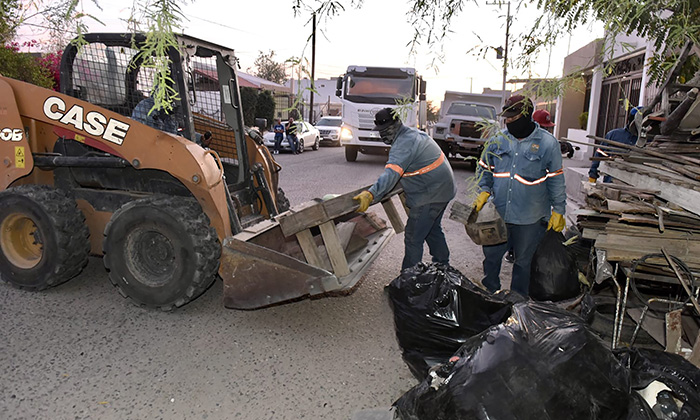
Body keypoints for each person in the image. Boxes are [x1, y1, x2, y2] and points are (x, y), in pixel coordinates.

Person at [474, 95, 566, 296]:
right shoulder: (497, 140)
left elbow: (556, 178)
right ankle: (491, 293)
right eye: (507, 118)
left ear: (526, 115)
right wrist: (483, 190)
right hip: (498, 212)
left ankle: (518, 301)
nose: (509, 122)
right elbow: (485, 168)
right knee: (491, 256)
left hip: (530, 217)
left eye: (513, 118)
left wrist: (559, 210)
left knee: (524, 262)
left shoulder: (547, 144)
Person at [352, 108, 456, 271]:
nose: (381, 135)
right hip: (443, 189)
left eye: (383, 131)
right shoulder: (411, 134)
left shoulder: (403, 143)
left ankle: (409, 280)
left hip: (430, 194)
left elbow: (392, 173)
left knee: (413, 237)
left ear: (393, 127)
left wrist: (371, 194)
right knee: (432, 229)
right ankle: (443, 267)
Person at [588, 106, 642, 183]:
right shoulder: (613, 135)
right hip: (611, 181)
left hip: (635, 183)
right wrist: (593, 174)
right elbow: (599, 153)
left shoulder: (649, 141)